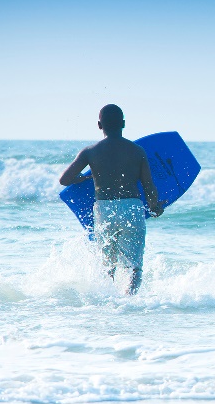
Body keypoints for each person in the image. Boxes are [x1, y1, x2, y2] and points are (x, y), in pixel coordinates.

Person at [59, 104, 163, 294]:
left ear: (99, 125)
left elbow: (64, 180)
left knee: (108, 265)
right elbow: (148, 185)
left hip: (105, 210)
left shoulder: (90, 152)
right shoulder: (137, 151)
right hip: (132, 208)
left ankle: (109, 303)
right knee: (134, 267)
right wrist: (155, 207)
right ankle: (128, 302)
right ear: (123, 123)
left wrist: (83, 178)